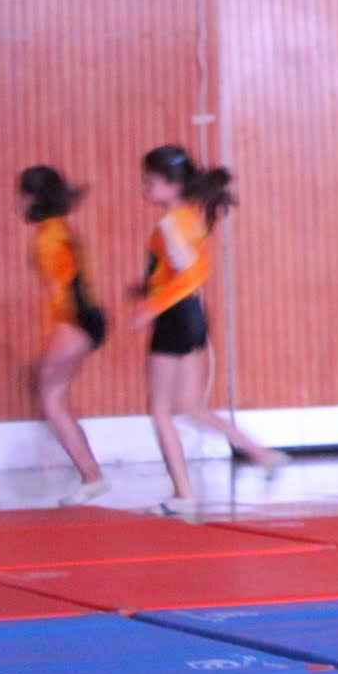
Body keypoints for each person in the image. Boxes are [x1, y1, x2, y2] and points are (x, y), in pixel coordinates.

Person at [128, 145, 286, 517]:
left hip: (176, 315)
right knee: (192, 406)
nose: (144, 189)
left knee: (160, 409)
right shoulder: (191, 216)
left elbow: (191, 274)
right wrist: (147, 288)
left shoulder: (171, 223)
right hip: (193, 314)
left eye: (150, 182)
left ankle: (182, 494)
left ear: (172, 185)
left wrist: (151, 307)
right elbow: (181, 271)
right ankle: (261, 453)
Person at [19, 167, 110, 506]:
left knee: (51, 399)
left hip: (76, 319)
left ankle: (92, 476)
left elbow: (63, 290)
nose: (17, 201)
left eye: (21, 194)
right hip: (85, 317)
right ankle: (91, 475)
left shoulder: (48, 235)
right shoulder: (59, 227)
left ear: (32, 198)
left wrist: (61, 335)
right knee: (53, 396)